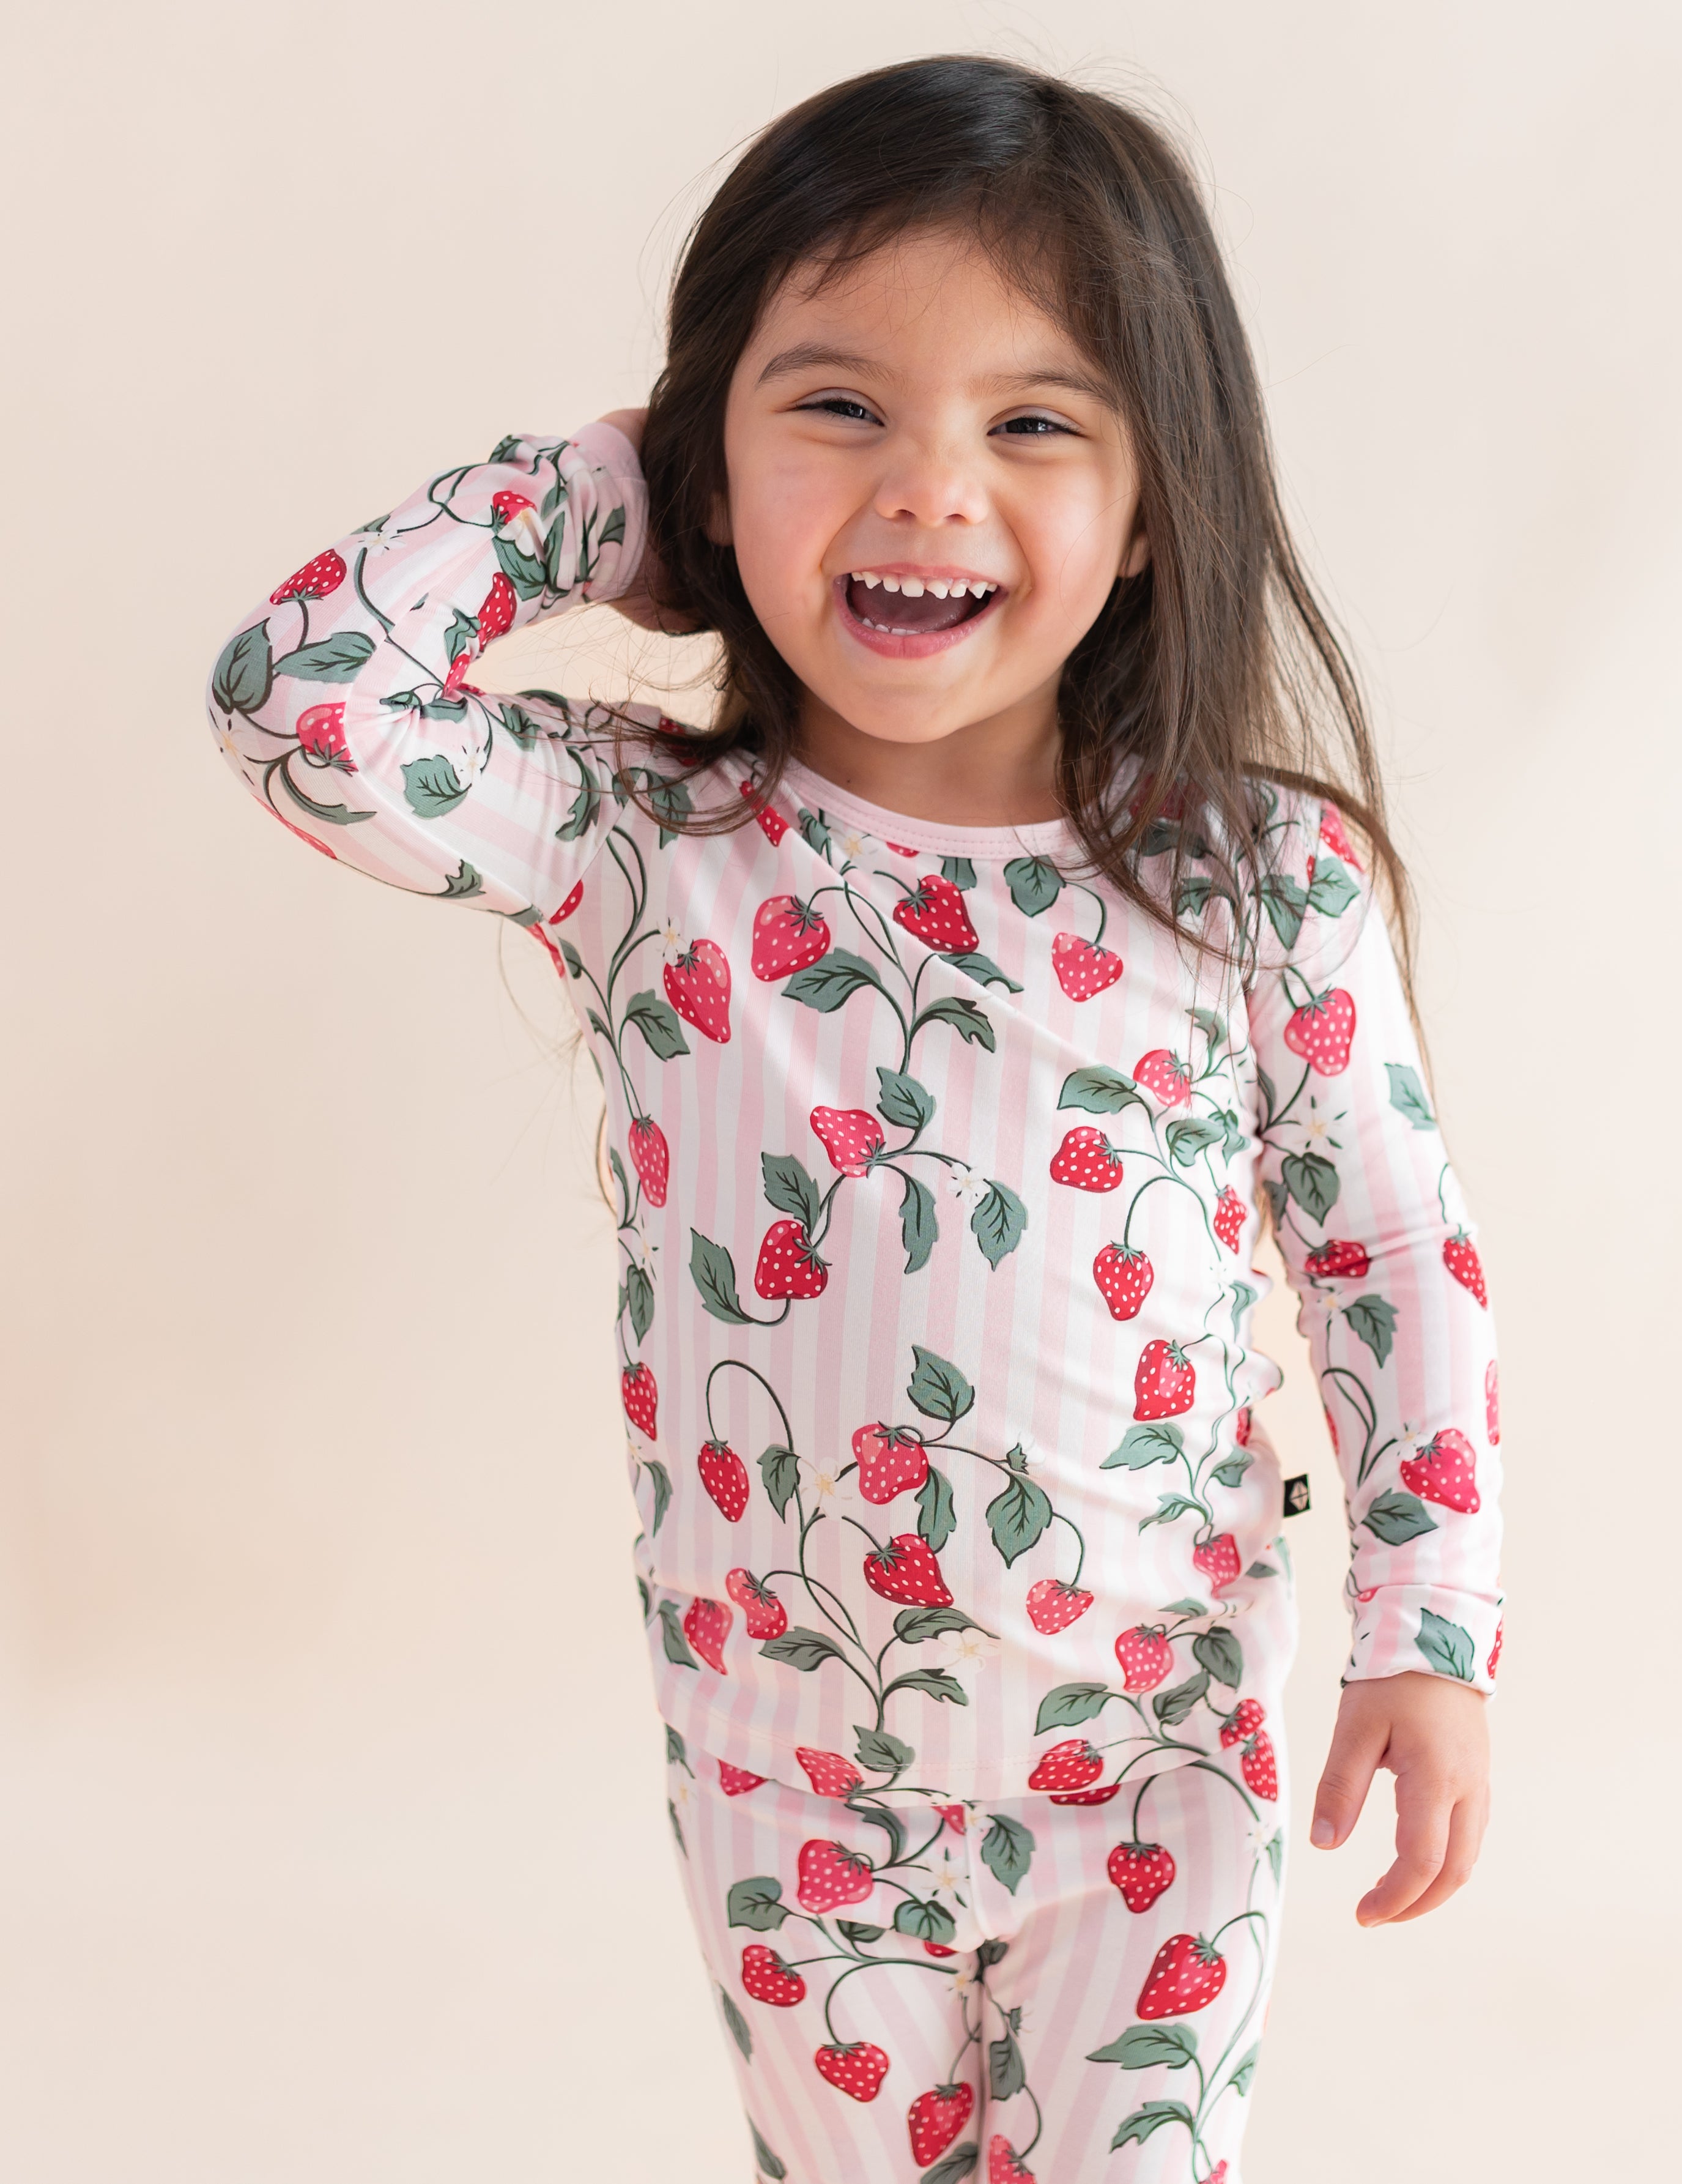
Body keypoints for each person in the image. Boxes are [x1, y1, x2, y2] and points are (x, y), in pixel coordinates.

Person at [204, 54, 1503, 2184]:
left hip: (1156, 1757)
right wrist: (594, 495)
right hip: (793, 1786)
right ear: (710, 473)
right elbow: (298, 699)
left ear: (1153, 499)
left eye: (1030, 423)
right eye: (831, 408)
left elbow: (1387, 1253)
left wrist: (1426, 1633)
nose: (927, 489)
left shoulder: (1249, 881)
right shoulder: (644, 840)